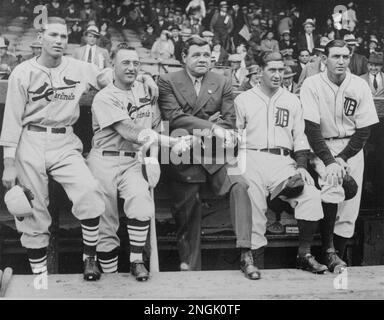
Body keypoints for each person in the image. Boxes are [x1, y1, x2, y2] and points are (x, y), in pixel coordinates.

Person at [0, 17, 159, 281]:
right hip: (30, 140)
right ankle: (41, 282)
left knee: (89, 191)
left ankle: (89, 259)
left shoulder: (80, 68)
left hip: (64, 141)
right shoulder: (22, 72)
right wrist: (8, 162)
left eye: (63, 36)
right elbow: (12, 120)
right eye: (53, 35)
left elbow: (113, 74)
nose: (59, 41)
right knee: (32, 214)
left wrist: (143, 75)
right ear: (40, 38)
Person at [87, 44, 191, 281]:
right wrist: (171, 143)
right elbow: (130, 131)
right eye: (125, 63)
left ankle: (136, 262)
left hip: (132, 160)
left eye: (136, 63)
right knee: (106, 220)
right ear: (113, 65)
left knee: (141, 204)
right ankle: (111, 275)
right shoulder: (104, 97)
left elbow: (153, 126)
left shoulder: (146, 90)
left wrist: (153, 157)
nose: (132, 67)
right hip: (103, 159)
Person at [158, 36, 260, 280]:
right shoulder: (167, 80)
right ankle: (191, 272)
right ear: (183, 57)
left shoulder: (221, 81)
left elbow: (228, 121)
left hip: (216, 154)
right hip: (181, 156)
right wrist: (211, 126)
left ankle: (246, 253)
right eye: (196, 55)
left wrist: (211, 126)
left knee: (241, 185)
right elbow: (173, 117)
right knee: (188, 213)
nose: (202, 59)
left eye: (206, 55)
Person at [234, 51, 327, 275]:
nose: (277, 75)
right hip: (252, 156)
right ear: (259, 71)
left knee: (312, 196)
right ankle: (253, 261)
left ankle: (303, 254)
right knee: (254, 206)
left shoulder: (292, 100)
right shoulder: (243, 99)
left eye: (281, 70)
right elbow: (235, 137)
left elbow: (300, 137)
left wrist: (302, 166)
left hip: (282, 161)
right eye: (272, 70)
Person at [300, 40, 379, 272]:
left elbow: (364, 129)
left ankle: (337, 259)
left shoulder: (359, 85)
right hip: (322, 146)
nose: (341, 61)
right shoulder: (312, 84)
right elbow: (311, 128)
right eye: (335, 56)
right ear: (325, 59)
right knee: (331, 190)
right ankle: (327, 251)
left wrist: (343, 157)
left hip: (351, 148)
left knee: (350, 210)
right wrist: (330, 161)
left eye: (345, 56)